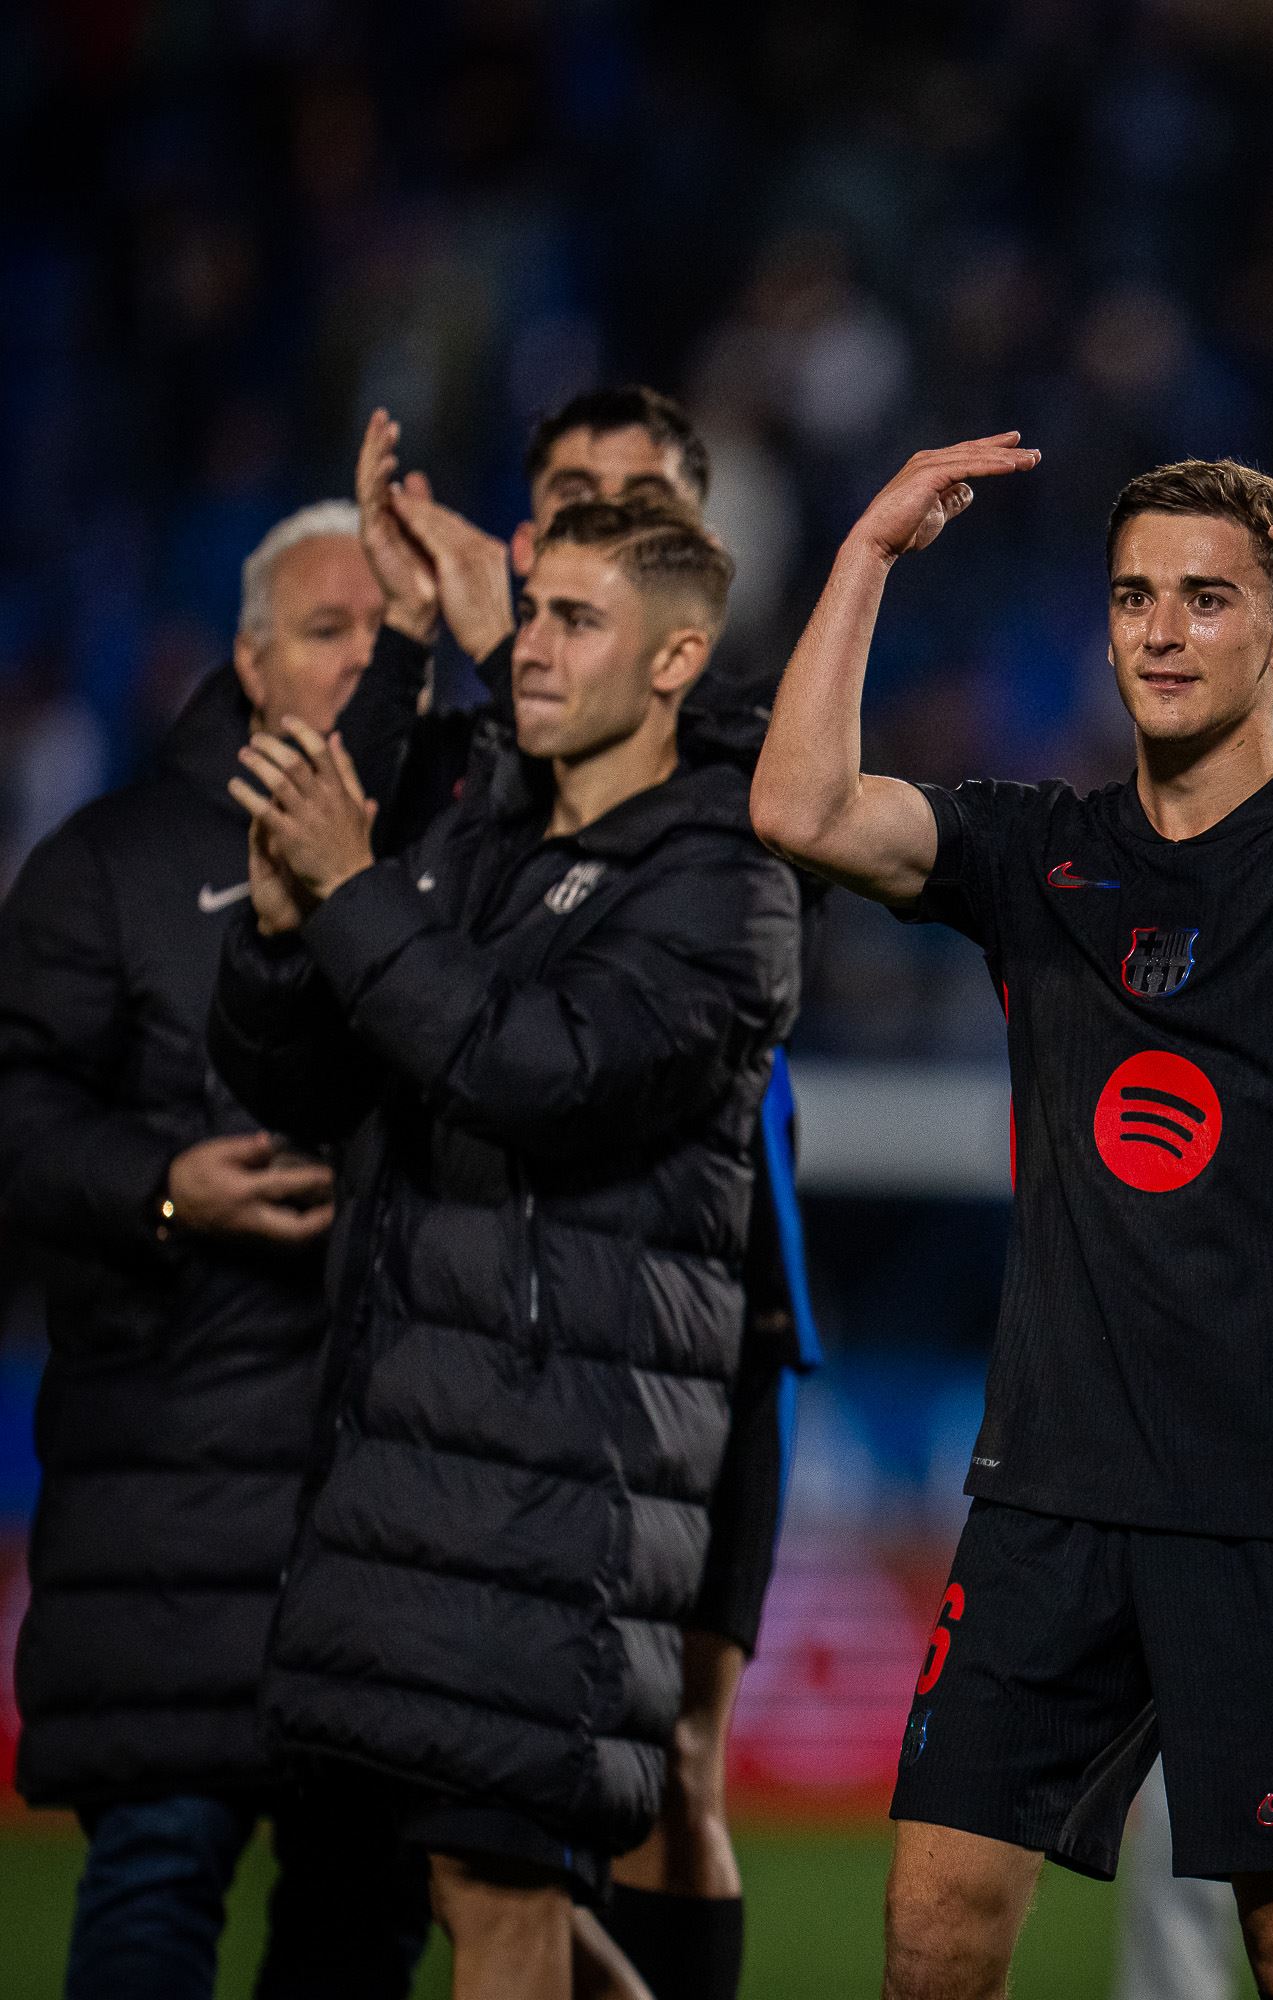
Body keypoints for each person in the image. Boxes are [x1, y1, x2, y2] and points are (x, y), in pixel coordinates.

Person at [748, 439, 1273, 2000]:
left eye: (1207, 598)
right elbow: (796, 808)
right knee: (933, 1930)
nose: (1161, 630)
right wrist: (865, 555)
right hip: (1053, 1488)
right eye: (1134, 597)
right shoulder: (1039, 851)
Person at [208, 491, 801, 2000]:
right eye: (530, 612)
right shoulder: (485, 842)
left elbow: (531, 1071)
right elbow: (309, 1086)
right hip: (409, 1461)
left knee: (500, 1892)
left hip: (562, 1480)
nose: (528, 646)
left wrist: (351, 893)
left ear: (676, 662)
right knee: (446, 1891)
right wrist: (280, 936)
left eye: (575, 621)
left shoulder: (725, 884)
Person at [0, 503, 432, 1999]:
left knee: (362, 1923)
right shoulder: (107, 862)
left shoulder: (450, 849)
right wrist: (164, 1189)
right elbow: (13, 1118)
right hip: (166, 1490)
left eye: (386, 632)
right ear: (250, 663)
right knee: (158, 1876)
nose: (361, 660)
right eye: (326, 630)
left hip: (387, 1502)